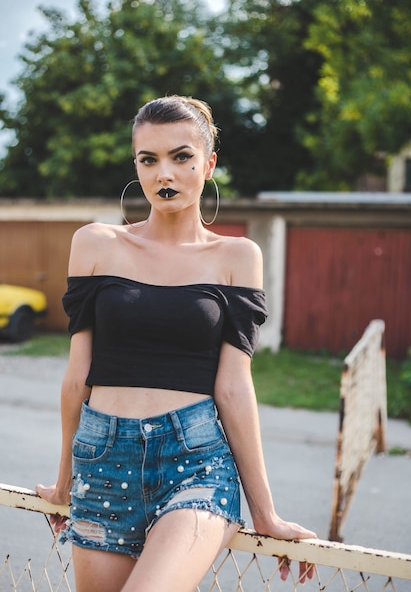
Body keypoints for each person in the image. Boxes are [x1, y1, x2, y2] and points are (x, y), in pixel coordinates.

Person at [36, 95, 317, 592]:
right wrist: (64, 482)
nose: (164, 172)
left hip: (196, 463)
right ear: (137, 166)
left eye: (181, 157)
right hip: (102, 461)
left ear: (208, 164)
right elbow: (77, 375)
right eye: (149, 159)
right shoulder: (96, 244)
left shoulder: (236, 256)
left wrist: (265, 512)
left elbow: (233, 388)